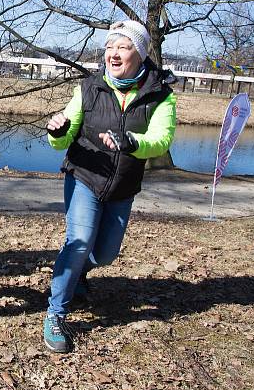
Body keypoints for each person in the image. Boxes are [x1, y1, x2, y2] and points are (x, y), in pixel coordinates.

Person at [42, 20, 176, 353]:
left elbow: (161, 140)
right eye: (109, 48)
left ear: (140, 54)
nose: (113, 55)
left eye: (123, 47)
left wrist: (131, 142)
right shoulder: (89, 88)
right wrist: (57, 131)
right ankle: (56, 313)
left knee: (105, 254)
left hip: (122, 186)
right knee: (80, 240)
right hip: (85, 176)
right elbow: (64, 136)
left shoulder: (160, 95)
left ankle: (78, 273)